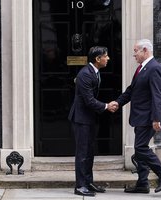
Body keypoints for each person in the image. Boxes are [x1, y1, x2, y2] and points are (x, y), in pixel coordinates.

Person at [113, 39, 161, 193]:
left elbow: (158, 96)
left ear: (145, 50)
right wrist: (118, 103)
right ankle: (142, 183)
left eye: (136, 51)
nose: (134, 55)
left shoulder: (155, 69)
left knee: (140, 149)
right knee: (140, 149)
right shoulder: (142, 69)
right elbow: (131, 90)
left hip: (148, 118)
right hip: (140, 117)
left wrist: (156, 118)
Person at [68, 46, 117, 196]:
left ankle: (88, 182)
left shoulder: (94, 72)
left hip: (88, 118)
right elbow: (89, 101)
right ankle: (80, 186)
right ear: (97, 59)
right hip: (81, 119)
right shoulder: (85, 74)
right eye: (106, 56)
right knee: (82, 153)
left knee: (89, 152)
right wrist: (107, 106)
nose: (108, 58)